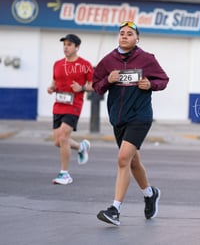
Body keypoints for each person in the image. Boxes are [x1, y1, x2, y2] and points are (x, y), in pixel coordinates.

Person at [93, 21, 169, 226]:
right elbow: (96, 86)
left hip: (140, 116)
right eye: (122, 33)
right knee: (133, 161)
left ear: (137, 38)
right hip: (118, 118)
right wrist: (108, 79)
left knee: (122, 158)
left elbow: (163, 80)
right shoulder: (109, 61)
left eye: (129, 34)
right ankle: (149, 194)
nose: (125, 36)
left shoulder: (146, 59)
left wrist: (151, 84)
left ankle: (115, 209)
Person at [47, 34, 94, 185]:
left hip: (74, 105)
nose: (66, 47)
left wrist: (81, 87)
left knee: (64, 136)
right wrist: (51, 88)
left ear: (77, 47)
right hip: (59, 105)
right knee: (57, 141)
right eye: (64, 44)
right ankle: (81, 147)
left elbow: (93, 86)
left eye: (69, 44)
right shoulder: (57, 64)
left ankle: (64, 174)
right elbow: (54, 82)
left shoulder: (85, 65)